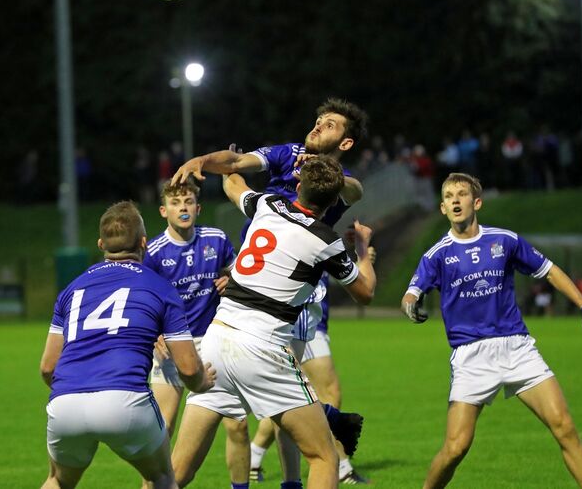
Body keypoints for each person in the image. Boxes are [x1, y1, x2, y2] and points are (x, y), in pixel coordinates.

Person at [172, 97, 372, 484]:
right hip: (270, 313)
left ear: (345, 144)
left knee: (179, 470)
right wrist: (204, 160)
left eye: (329, 125)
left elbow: (354, 189)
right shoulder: (292, 164)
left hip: (245, 313)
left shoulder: (271, 201)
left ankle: (298, 460)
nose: (318, 126)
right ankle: (318, 434)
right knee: (318, 443)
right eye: (318, 120)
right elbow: (234, 164)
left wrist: (323, 174)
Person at [401, 172, 582, 489]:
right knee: (456, 448)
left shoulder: (504, 240)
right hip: (471, 355)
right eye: (448, 196)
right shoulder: (437, 254)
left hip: (517, 347)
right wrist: (411, 306)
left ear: (477, 202)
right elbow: (411, 293)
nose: (455, 200)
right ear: (443, 208)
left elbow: (550, 271)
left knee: (564, 427)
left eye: (461, 194)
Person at [38, 201, 215, 489]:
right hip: (125, 400)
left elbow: (47, 368)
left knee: (57, 480)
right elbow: (188, 367)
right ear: (144, 242)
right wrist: (201, 382)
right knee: (161, 477)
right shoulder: (160, 287)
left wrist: (76, 391)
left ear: (100, 244)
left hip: (66, 401)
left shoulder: (72, 289)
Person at [142, 179, 250, 488]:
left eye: (188, 201)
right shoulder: (154, 252)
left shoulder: (215, 240)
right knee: (162, 429)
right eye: (176, 203)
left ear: (198, 207)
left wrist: (231, 280)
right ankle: (152, 484)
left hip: (213, 342)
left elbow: (240, 274)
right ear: (164, 211)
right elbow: (142, 299)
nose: (183, 208)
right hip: (171, 346)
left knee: (238, 426)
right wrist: (153, 334)